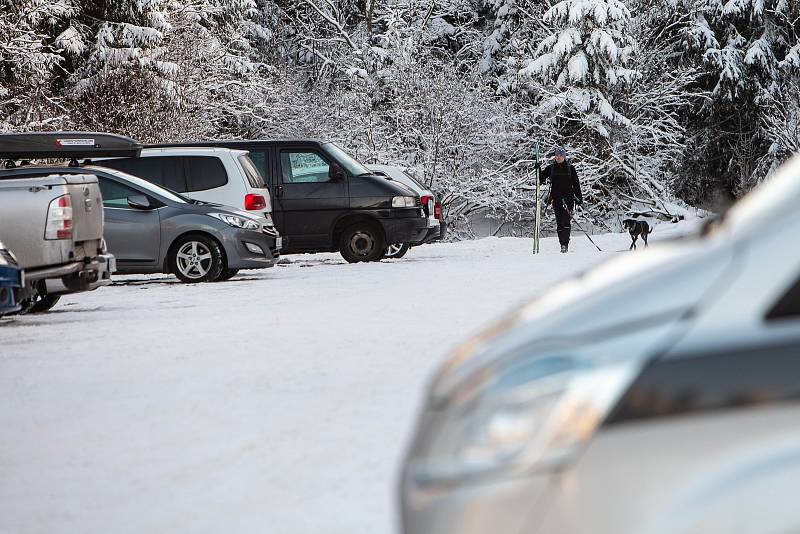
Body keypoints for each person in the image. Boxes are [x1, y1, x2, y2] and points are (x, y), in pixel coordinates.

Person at [540, 146, 583, 253]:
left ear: (564, 156)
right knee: (559, 222)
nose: (558, 157)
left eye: (560, 155)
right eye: (557, 155)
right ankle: (562, 244)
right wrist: (538, 170)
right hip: (556, 199)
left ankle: (565, 244)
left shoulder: (570, 168)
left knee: (566, 221)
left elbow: (576, 184)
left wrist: (579, 197)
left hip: (568, 199)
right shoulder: (551, 168)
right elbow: (540, 179)